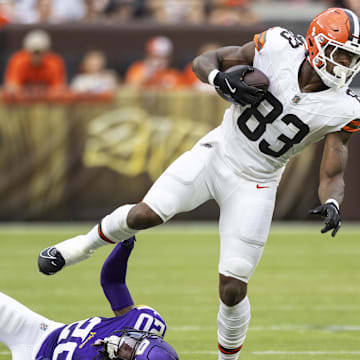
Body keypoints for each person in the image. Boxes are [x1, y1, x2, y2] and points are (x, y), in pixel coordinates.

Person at [38, 7, 360, 360]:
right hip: (216, 153)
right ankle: (78, 248)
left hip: (257, 182)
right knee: (145, 215)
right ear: (316, 44)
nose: (346, 63)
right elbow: (207, 60)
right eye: (341, 52)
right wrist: (219, 80)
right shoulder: (278, 45)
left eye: (352, 56)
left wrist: (332, 201)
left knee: (233, 287)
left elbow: (334, 167)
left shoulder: (344, 105)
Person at [1, 237, 179, 359]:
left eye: (127, 351)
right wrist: (125, 244)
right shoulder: (142, 322)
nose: (123, 343)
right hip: (43, 332)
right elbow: (113, 282)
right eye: (133, 342)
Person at [4, 29, 66, 94]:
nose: (36, 56)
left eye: (40, 52)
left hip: (47, 102)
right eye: (34, 52)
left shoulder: (54, 62)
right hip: (24, 102)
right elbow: (12, 88)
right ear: (27, 51)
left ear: (46, 52)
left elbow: (59, 89)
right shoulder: (18, 61)